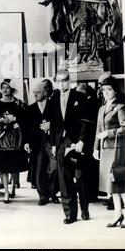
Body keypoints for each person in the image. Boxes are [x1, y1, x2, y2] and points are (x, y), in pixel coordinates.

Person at [50, 70, 91, 224]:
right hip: (61, 144)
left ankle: (85, 208)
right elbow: (54, 124)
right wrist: (54, 144)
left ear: (69, 80)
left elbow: (85, 121)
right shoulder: (53, 99)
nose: (62, 83)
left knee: (80, 178)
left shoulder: (79, 97)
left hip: (76, 144)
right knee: (65, 180)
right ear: (56, 82)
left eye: (65, 80)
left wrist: (81, 141)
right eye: (59, 81)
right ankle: (70, 214)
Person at [93, 76, 125, 228]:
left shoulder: (120, 107)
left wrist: (109, 133)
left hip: (117, 148)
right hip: (105, 149)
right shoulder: (101, 108)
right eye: (103, 90)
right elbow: (98, 130)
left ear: (115, 91)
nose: (106, 92)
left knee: (118, 181)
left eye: (109, 89)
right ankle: (118, 213)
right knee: (110, 185)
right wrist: (95, 148)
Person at [0, 79, 28, 203]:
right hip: (1, 137)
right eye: (3, 87)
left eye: (7, 87)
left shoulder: (18, 103)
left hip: (16, 136)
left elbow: (26, 118)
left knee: (14, 164)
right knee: (3, 165)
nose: (5, 90)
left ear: (12, 89)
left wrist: (15, 119)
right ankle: (6, 192)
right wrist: (1, 121)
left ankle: (13, 188)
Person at [24, 83, 59, 205]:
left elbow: (59, 122)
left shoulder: (55, 106)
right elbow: (26, 128)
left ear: (45, 92)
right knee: (39, 169)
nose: (35, 94)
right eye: (34, 92)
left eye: (38, 92)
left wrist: (50, 125)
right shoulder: (30, 109)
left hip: (52, 142)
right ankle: (43, 196)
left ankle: (53, 193)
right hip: (37, 143)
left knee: (54, 168)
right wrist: (26, 142)